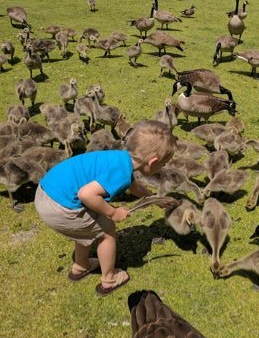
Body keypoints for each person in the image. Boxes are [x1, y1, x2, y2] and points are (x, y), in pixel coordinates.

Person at [35, 120, 176, 296]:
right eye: (162, 164)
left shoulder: (120, 159)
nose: (162, 168)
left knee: (87, 226)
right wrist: (113, 212)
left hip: (46, 191)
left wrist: (154, 199)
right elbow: (86, 195)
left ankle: (81, 266)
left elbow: (134, 186)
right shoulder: (121, 173)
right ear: (152, 161)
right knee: (106, 230)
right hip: (58, 206)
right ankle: (109, 279)